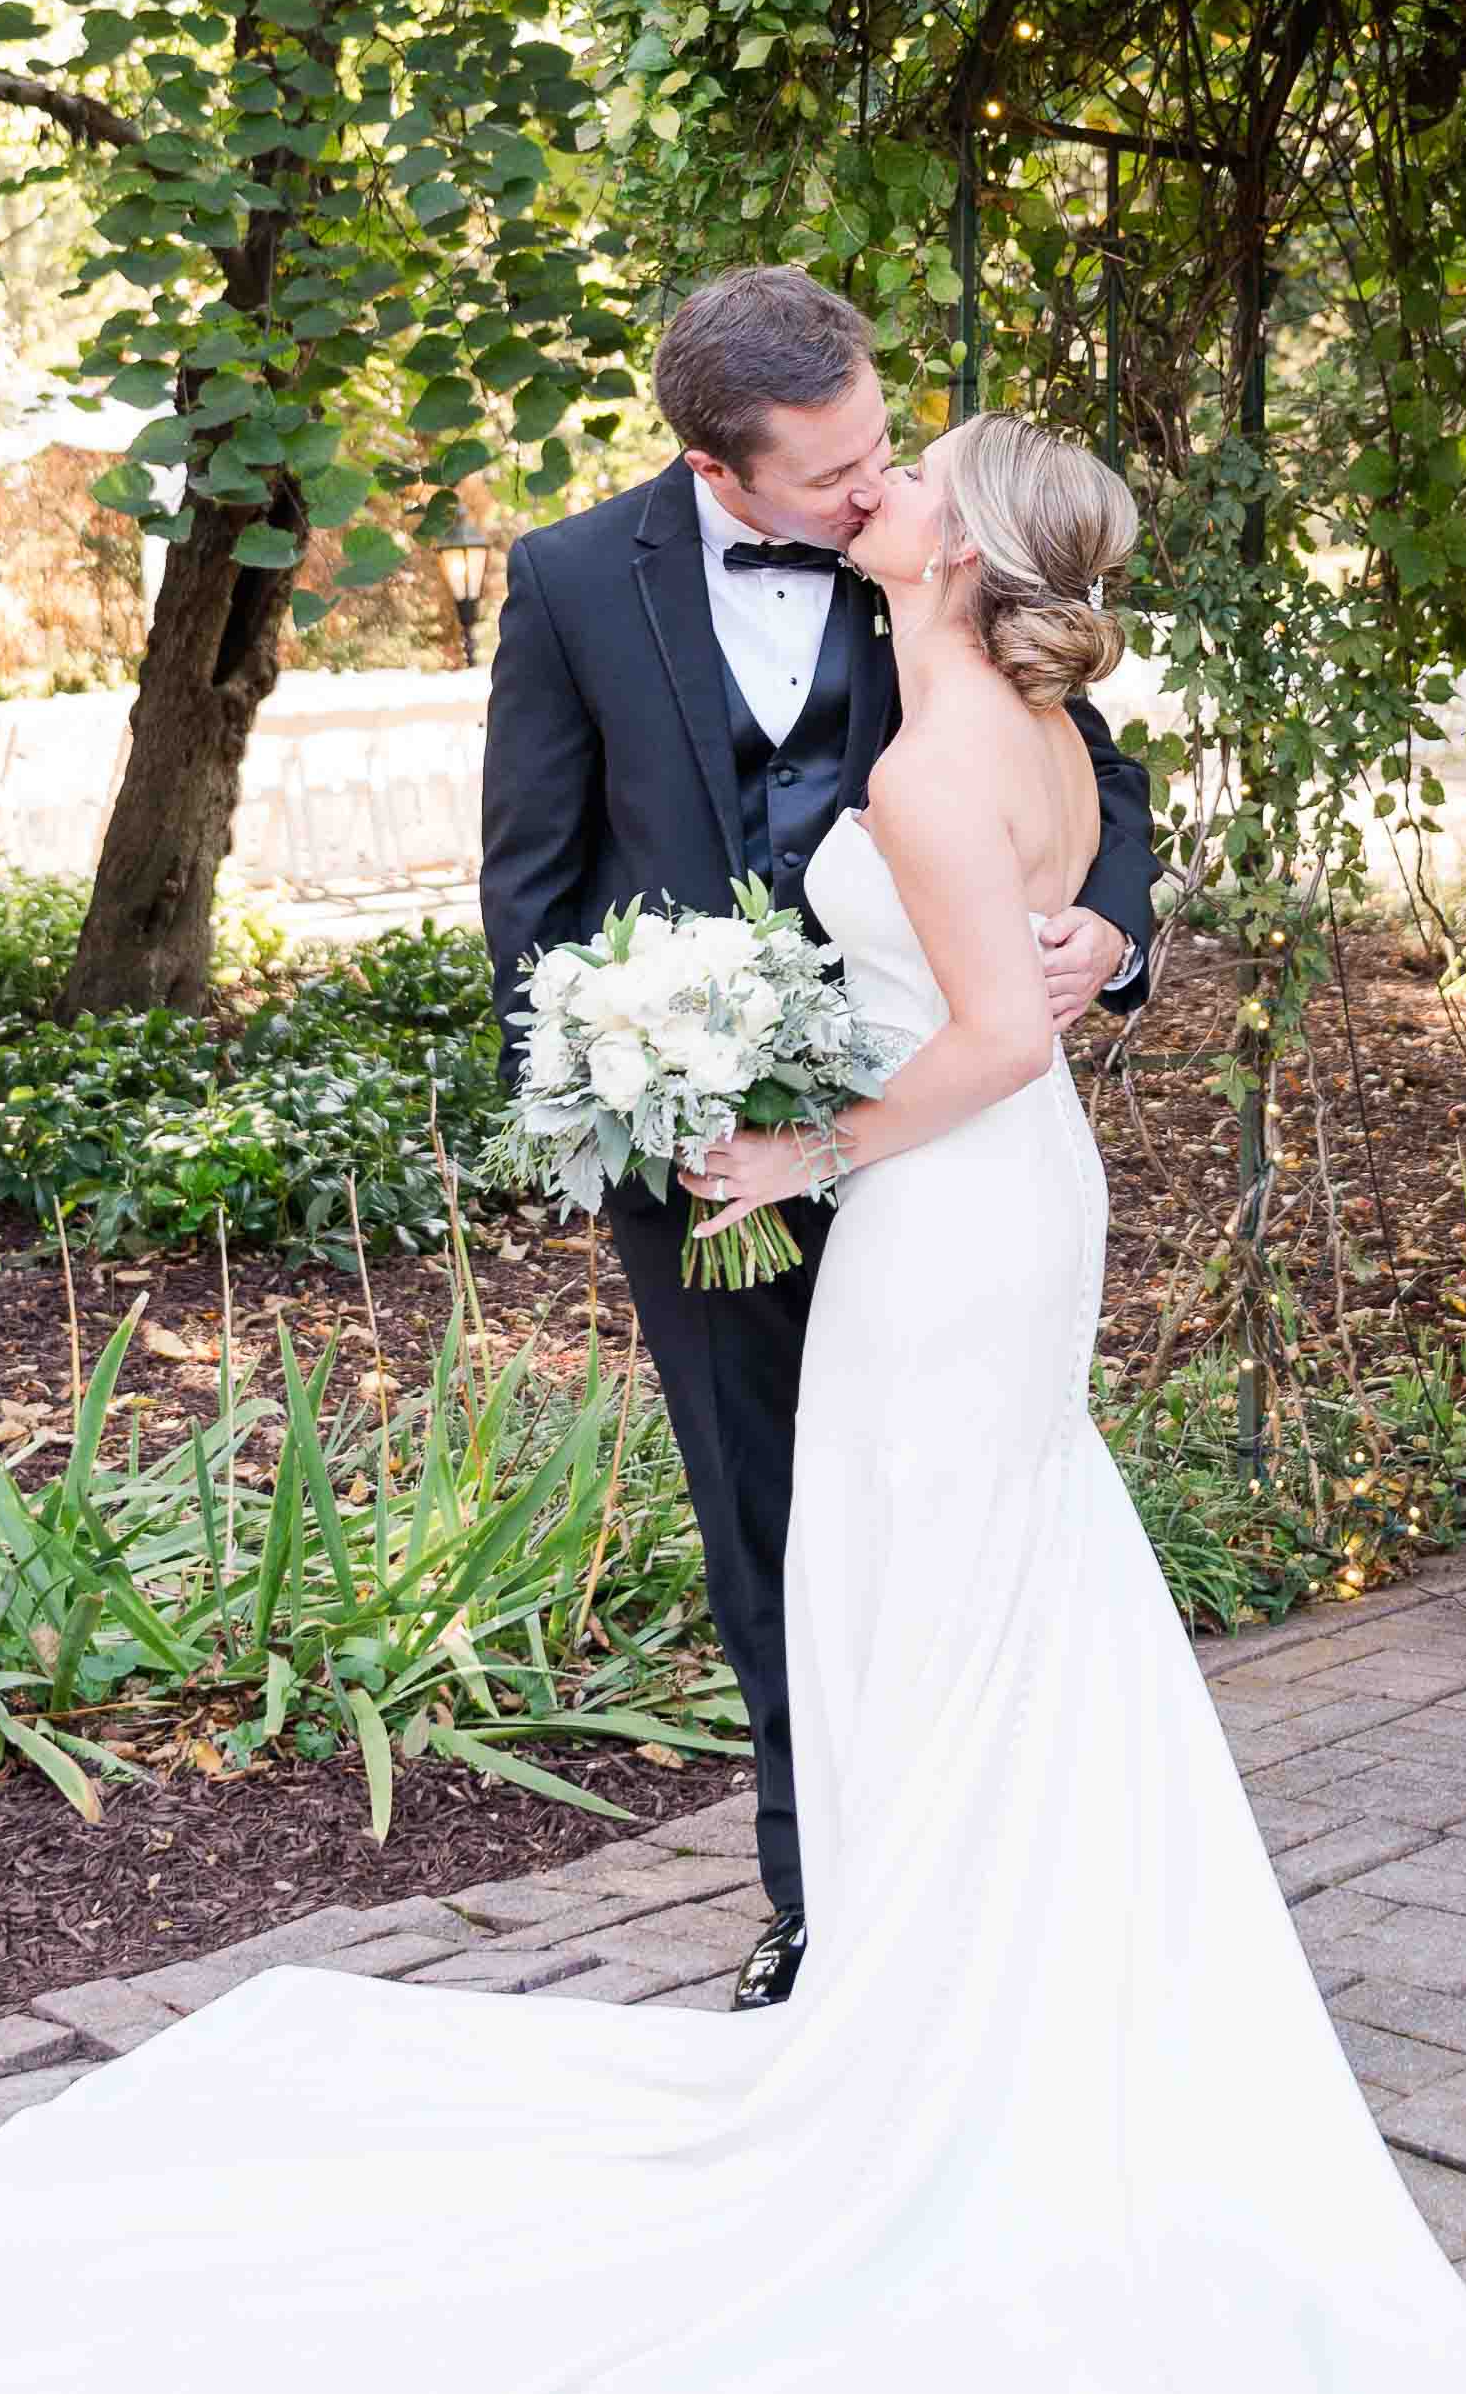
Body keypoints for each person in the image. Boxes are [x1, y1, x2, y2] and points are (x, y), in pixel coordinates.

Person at [0, 407, 1466, 2394]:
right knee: (992, 1615)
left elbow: (1008, 1030)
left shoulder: (934, 755)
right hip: (1001, 1226)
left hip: (939, 1212)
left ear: (958, 545)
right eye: (864, 459)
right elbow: (917, 938)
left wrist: (800, 1140)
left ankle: (950, 2078)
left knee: (940, 1608)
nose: (879, 488)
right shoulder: (1005, 719)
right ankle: (997, 2016)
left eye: (917, 473)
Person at [473, 264, 1156, 2008]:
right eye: (830, 474)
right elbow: (531, 887)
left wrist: (1112, 928)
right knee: (776, 1533)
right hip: (706, 1171)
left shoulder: (927, 552)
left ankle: (963, 1918)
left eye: (881, 444)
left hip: (940, 1148)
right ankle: (819, 1915)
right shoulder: (566, 583)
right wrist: (614, 1097)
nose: (871, 488)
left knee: (943, 1521)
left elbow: (1096, 780)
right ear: (719, 472)